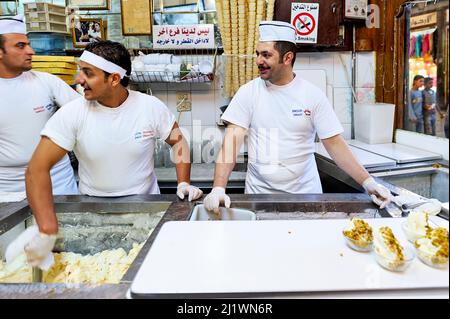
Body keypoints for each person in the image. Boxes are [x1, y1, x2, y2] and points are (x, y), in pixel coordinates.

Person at [18, 40, 202, 270]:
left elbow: (178, 141)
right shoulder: (72, 114)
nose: (78, 79)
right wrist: (47, 229)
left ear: (114, 79)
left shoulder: (149, 107)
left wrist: (183, 182)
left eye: (88, 73)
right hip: (93, 215)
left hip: (146, 212)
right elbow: (36, 170)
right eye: (79, 71)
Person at [203, 21, 392, 213]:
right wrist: (218, 187)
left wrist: (368, 182)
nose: (259, 60)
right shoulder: (248, 93)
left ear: (287, 58)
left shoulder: (312, 95)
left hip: (306, 195)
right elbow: (231, 143)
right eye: (258, 53)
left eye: (266, 55)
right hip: (259, 196)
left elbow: (335, 144)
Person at [0, 15, 78, 194]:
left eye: (28, 44)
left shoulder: (47, 82)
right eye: (20, 46)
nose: (31, 51)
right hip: (7, 189)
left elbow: (85, 114)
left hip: (58, 183)